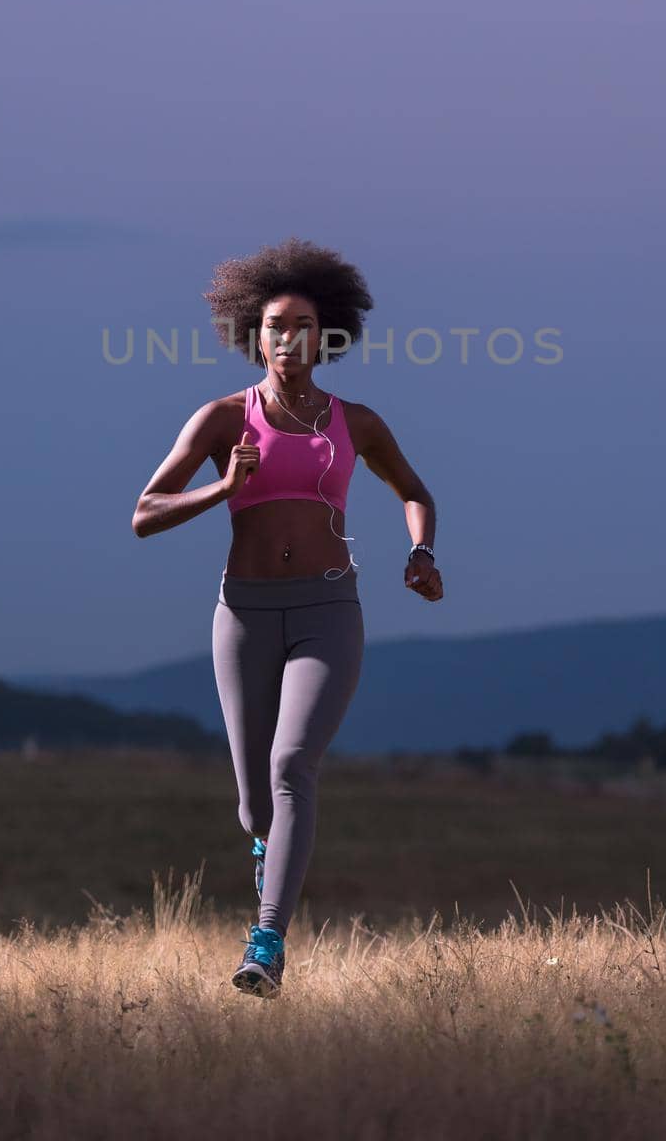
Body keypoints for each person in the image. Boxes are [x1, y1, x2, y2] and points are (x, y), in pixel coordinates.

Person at [131, 236, 443, 997]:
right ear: (253, 334)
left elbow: (414, 491)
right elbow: (145, 513)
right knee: (253, 804)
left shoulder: (356, 421)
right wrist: (221, 487)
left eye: (304, 325)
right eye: (275, 325)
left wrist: (422, 552)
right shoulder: (220, 419)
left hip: (328, 608)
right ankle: (270, 866)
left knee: (291, 764)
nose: (288, 338)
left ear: (326, 336)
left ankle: (266, 943)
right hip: (243, 613)